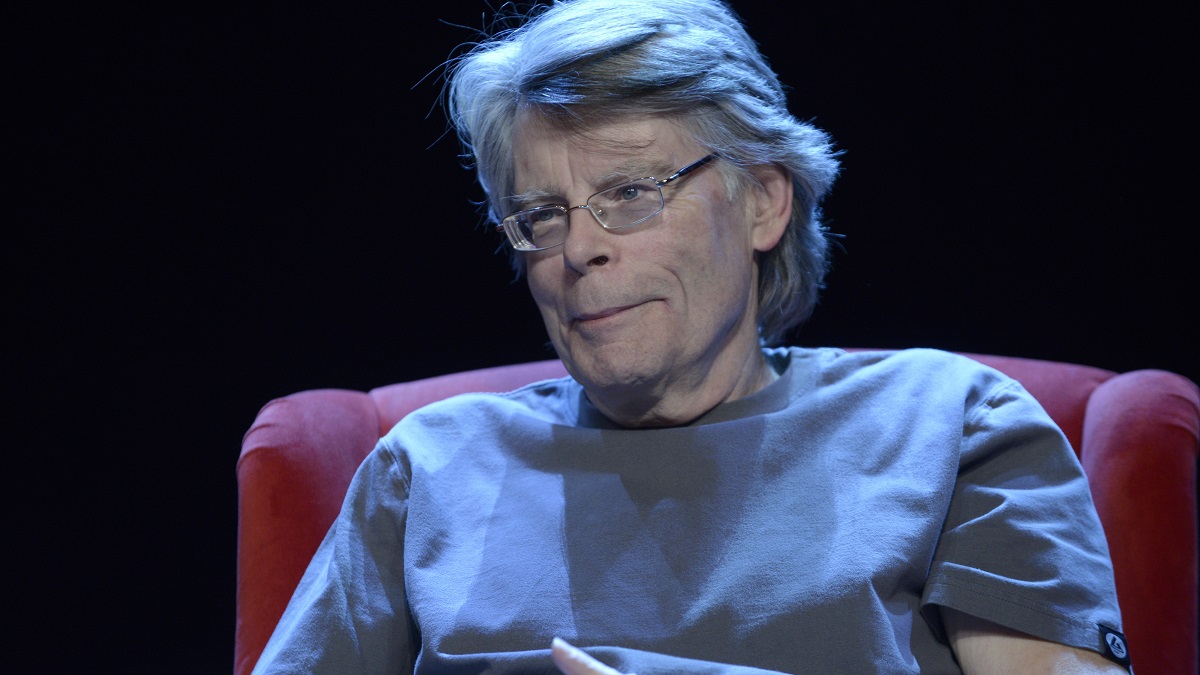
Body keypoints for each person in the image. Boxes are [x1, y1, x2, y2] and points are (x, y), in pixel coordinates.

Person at [252, 0, 1131, 672]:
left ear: (763, 199)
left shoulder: (949, 426)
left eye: (631, 191)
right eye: (542, 213)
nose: (582, 246)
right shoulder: (431, 467)